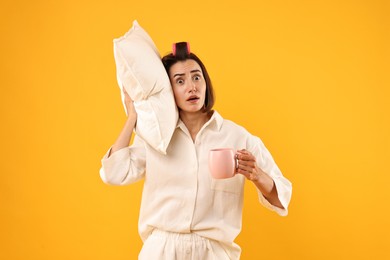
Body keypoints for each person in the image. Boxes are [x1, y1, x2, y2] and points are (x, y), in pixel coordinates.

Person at [100, 42, 292, 259]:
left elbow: (281, 197)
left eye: (196, 77)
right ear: (167, 90)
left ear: (206, 82)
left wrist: (257, 175)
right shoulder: (156, 138)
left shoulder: (237, 136)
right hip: (161, 250)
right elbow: (113, 173)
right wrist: (133, 117)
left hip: (214, 253)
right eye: (179, 81)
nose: (192, 87)